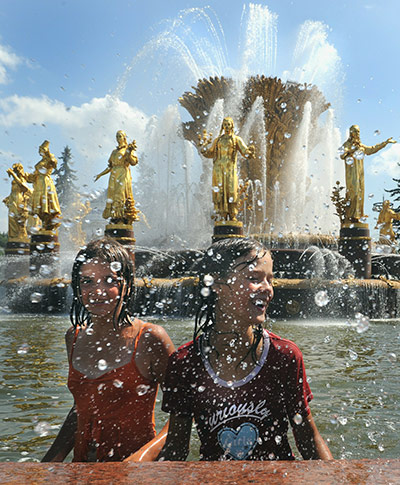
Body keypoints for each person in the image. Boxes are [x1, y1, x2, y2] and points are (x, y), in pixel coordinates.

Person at [159, 238, 333, 461]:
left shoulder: (284, 356)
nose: (267, 289)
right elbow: (176, 449)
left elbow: (308, 438)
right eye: (254, 279)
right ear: (217, 284)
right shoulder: (185, 362)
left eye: (270, 280)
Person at [42, 237, 175, 462]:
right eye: (87, 281)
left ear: (127, 286)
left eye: (109, 280)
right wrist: (49, 462)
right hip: (82, 468)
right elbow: (81, 407)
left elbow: (183, 412)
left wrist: (141, 459)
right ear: (77, 287)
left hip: (133, 472)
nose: (98, 291)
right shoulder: (73, 338)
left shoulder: (149, 338)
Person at [199, 117, 254, 222]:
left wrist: (250, 152)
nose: (227, 127)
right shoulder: (218, 140)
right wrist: (203, 148)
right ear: (222, 126)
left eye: (229, 124)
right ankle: (222, 214)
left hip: (230, 169)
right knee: (220, 192)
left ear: (232, 126)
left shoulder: (236, 139)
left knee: (231, 190)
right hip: (218, 168)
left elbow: (244, 150)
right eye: (225, 125)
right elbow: (210, 153)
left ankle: (233, 214)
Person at [340, 125, 396, 223]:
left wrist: (385, 143)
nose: (358, 134)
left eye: (358, 132)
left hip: (360, 173)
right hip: (352, 173)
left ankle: (358, 214)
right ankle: (351, 215)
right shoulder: (347, 144)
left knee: (361, 192)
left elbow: (372, 149)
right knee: (354, 192)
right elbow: (342, 155)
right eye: (356, 132)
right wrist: (351, 150)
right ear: (351, 133)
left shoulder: (361, 146)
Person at [95, 130, 139, 225]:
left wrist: (129, 152)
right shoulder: (114, 152)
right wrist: (100, 174)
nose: (118, 138)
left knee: (121, 194)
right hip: (113, 175)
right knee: (112, 195)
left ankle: (122, 217)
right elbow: (110, 167)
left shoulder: (127, 149)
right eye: (117, 136)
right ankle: (114, 216)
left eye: (120, 136)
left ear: (124, 138)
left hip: (123, 173)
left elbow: (133, 162)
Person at [26, 140, 62, 231]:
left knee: (47, 205)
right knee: (40, 206)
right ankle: (45, 224)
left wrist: (48, 152)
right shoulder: (41, 161)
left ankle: (48, 224)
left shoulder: (49, 159)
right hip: (38, 184)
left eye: (41, 149)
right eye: (39, 149)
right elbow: (33, 176)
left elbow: (54, 163)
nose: (40, 150)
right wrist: (23, 175)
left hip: (45, 183)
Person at [3, 162, 31, 240]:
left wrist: (13, 175)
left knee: (17, 217)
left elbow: (24, 188)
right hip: (12, 198)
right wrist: (8, 198)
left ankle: (20, 236)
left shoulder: (22, 179)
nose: (16, 171)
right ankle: (13, 236)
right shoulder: (15, 179)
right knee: (11, 217)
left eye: (17, 170)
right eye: (14, 170)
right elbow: (13, 190)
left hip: (19, 199)